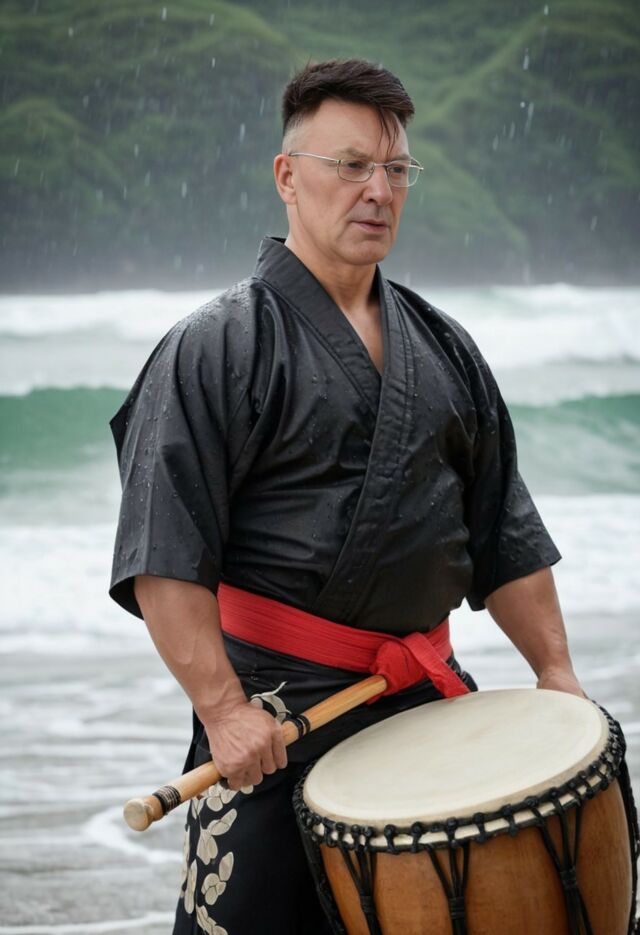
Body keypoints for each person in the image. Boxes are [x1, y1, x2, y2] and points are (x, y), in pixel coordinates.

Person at [109, 59, 584, 935]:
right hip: (271, 719)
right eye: (352, 165)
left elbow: (505, 533)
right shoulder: (214, 346)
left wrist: (556, 673)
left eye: (396, 169)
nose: (378, 190)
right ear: (287, 177)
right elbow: (164, 554)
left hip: (421, 707)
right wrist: (223, 711)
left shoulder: (444, 346)